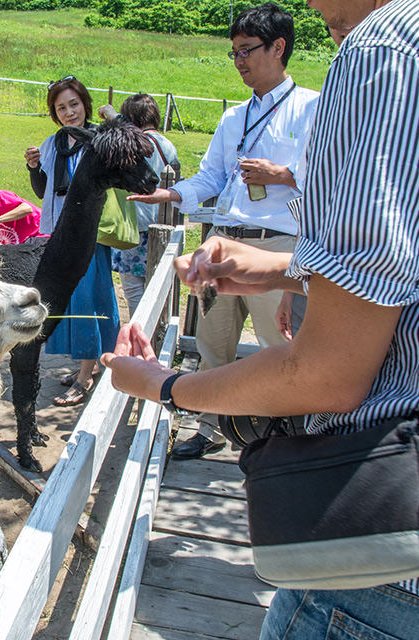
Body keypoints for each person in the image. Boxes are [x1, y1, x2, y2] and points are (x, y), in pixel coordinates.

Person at [103, 0, 419, 636]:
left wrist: (161, 387)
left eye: (247, 49)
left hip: (405, 537)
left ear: (278, 51)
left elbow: (323, 373)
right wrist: (285, 267)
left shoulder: (390, 52)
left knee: (277, 360)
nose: (316, 6)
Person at [129, 2, 319, 459]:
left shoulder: (314, 108)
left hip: (279, 247)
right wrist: (170, 196)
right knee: (214, 341)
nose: (239, 61)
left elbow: (335, 181)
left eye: (246, 50)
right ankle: (213, 428)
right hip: (224, 239)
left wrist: (285, 175)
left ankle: (287, 434)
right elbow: (211, 176)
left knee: (283, 347)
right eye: (233, 52)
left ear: (279, 47)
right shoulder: (234, 117)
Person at [24, 75, 120, 406]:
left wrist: (114, 119)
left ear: (85, 104)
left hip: (91, 232)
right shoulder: (54, 144)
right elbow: (44, 192)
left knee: (90, 299)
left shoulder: (100, 138)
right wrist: (34, 168)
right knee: (70, 301)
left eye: (74, 104)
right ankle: (86, 365)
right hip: (63, 234)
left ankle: (84, 377)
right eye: (61, 107)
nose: (69, 112)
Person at [97, 94, 179, 316]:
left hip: (136, 225)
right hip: (162, 223)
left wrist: (113, 116)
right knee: (158, 286)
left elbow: (126, 134)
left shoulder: (136, 142)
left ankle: (138, 334)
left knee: (134, 290)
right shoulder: (168, 145)